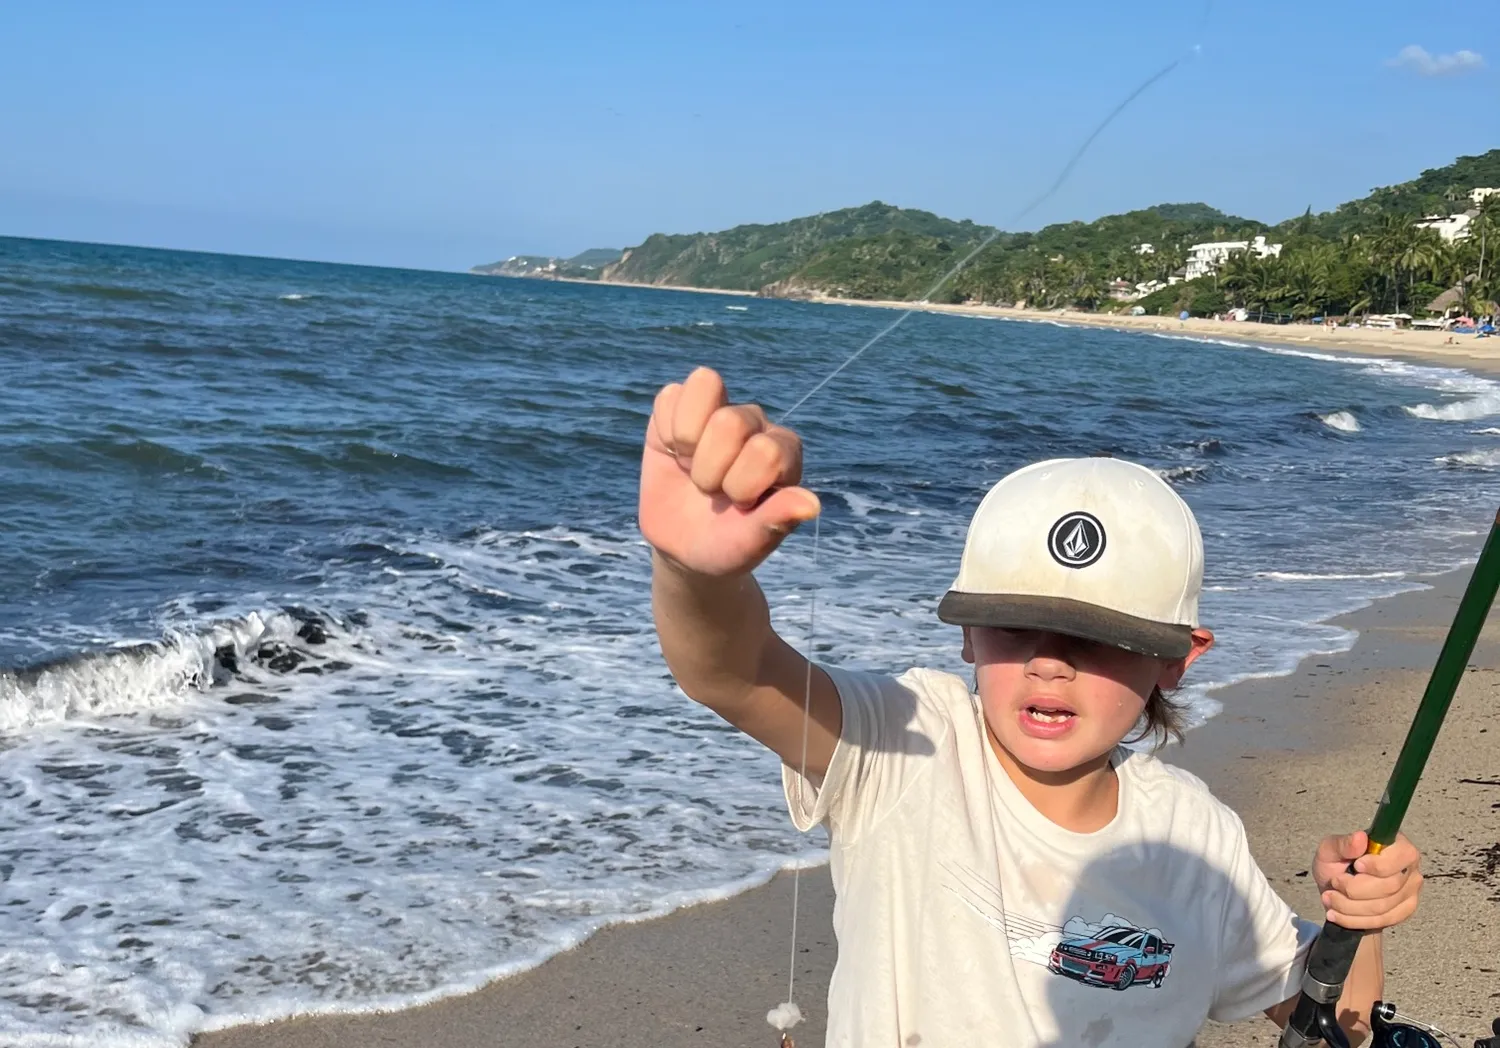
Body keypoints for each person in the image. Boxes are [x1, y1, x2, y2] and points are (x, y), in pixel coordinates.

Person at [639, 366, 1424, 1047]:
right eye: (1016, 628)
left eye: (1100, 638)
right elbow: (731, 672)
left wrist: (1360, 917)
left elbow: (1331, 1022)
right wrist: (694, 573)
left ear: (1178, 659)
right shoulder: (906, 741)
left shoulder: (1198, 837)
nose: (1050, 661)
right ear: (967, 637)